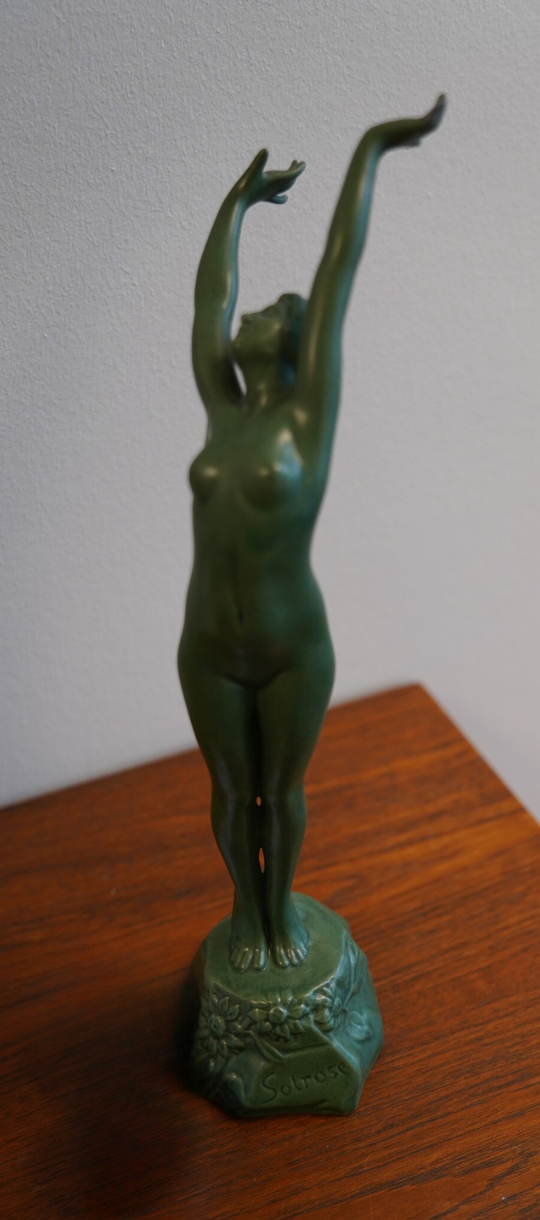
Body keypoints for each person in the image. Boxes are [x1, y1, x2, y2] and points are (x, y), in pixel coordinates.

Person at [178, 96, 446, 971]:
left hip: (293, 646)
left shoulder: (306, 424)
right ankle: (246, 909)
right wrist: (237, 205)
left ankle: (282, 908)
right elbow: (209, 299)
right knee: (230, 790)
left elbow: (337, 268)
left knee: (280, 790)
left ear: (294, 343)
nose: (250, 316)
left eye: (270, 312)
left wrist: (373, 147)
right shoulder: (224, 413)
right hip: (207, 643)